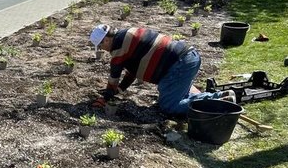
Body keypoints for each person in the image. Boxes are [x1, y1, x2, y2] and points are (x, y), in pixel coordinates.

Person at [89, 23, 234, 116]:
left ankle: (219, 100)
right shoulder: (127, 34)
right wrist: (120, 90)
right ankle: (221, 97)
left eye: (101, 46)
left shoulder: (118, 49)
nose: (102, 49)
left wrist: (105, 98)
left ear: (106, 40)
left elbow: (114, 76)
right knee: (170, 92)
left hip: (179, 65)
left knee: (169, 106)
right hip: (185, 59)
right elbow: (132, 71)